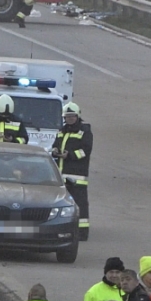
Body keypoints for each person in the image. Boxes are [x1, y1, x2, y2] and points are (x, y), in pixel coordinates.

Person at [53, 102, 92, 241]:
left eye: (72, 116)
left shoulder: (84, 131)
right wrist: (55, 151)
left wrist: (69, 155)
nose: (69, 119)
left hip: (77, 176)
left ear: (77, 116)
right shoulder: (61, 131)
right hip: (61, 176)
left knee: (80, 204)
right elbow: (55, 145)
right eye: (67, 116)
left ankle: (82, 233)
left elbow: (85, 151)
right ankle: (62, 230)